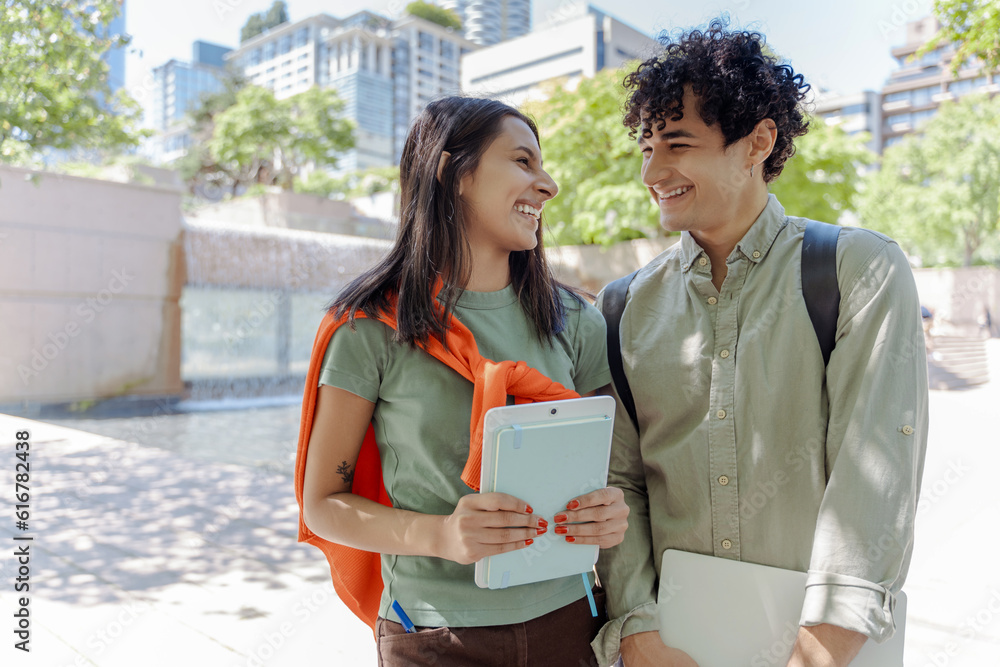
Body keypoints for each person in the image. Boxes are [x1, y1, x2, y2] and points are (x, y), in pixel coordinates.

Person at [592, 22, 929, 667]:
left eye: (678, 144)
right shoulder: (622, 307)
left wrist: (816, 653)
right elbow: (619, 483)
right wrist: (637, 630)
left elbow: (875, 478)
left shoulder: (858, 272)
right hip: (674, 648)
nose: (652, 170)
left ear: (759, 142)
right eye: (646, 147)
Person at [294, 96, 628, 667]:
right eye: (523, 162)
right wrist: (442, 537)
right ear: (453, 173)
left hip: (570, 624)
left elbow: (616, 471)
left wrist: (610, 511)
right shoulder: (370, 326)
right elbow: (322, 504)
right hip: (432, 634)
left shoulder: (576, 319)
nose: (547, 185)